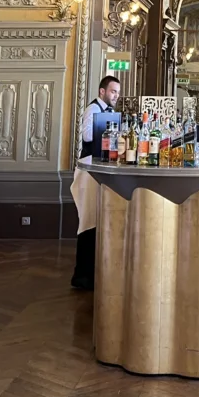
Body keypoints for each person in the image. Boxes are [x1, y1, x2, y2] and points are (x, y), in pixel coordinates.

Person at [71, 75, 121, 292]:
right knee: (88, 220)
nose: (116, 96)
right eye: (113, 92)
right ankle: (82, 276)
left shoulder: (109, 111)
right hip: (88, 170)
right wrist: (108, 131)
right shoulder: (93, 110)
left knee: (96, 221)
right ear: (102, 92)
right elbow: (88, 136)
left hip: (98, 170)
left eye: (117, 92)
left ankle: (93, 273)